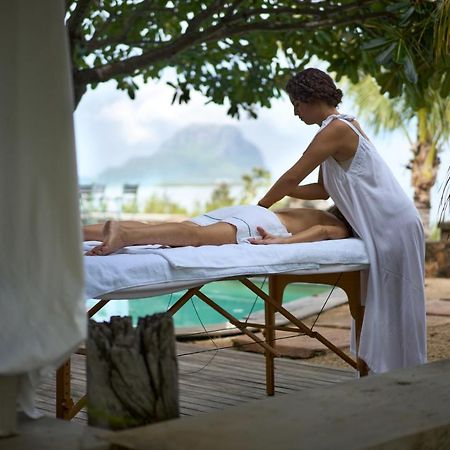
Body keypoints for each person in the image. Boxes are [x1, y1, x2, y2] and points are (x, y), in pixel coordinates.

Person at [256, 67, 426, 374]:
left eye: (297, 103)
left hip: (393, 224)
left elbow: (295, 173)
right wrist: (284, 190)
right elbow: (322, 190)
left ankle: (404, 378)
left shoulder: (336, 130)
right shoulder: (338, 128)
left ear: (312, 97)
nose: (295, 112)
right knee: (384, 305)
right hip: (385, 226)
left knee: (399, 305)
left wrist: (258, 208)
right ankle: (388, 379)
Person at [84, 204, 352, 256]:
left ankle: (79, 233)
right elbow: (322, 232)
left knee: (180, 228)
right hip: (267, 224)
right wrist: (282, 242)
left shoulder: (320, 209)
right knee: (196, 238)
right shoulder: (341, 226)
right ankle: (126, 236)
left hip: (253, 211)